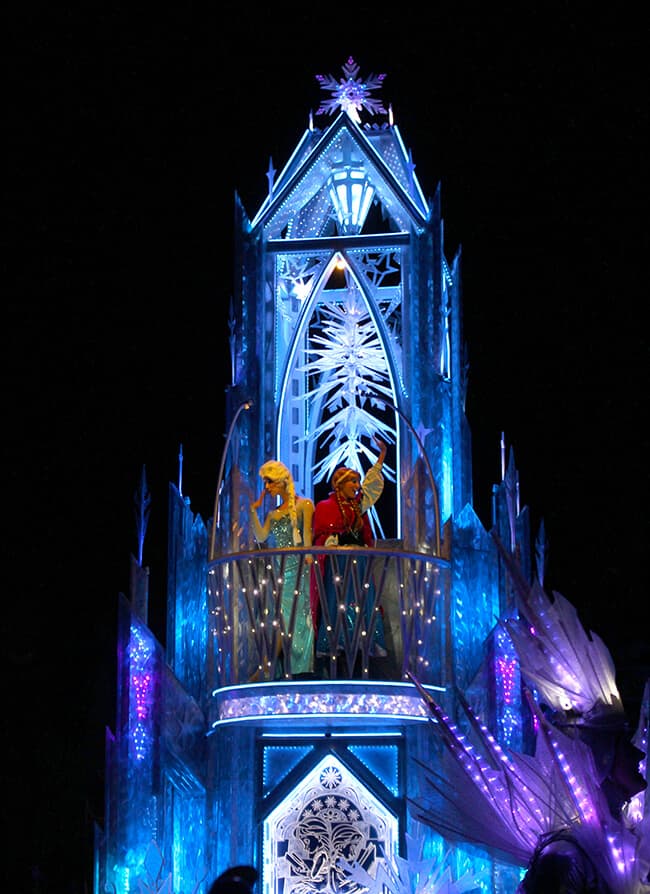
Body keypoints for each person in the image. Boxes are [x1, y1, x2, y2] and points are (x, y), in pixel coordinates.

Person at [310, 436, 388, 670]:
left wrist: (382, 455)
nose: (357, 485)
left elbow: (373, 487)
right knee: (338, 603)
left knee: (361, 603)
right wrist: (333, 540)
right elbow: (319, 536)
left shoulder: (358, 506)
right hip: (338, 566)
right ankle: (338, 646)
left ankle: (362, 646)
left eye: (357, 482)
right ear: (340, 484)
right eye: (352, 482)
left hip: (359, 565)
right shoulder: (324, 507)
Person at [249, 460, 315, 676]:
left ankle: (273, 669)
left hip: (299, 573)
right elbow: (261, 536)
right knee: (281, 620)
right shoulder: (273, 514)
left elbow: (307, 541)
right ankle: (271, 668)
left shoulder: (305, 505)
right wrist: (253, 511)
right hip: (281, 574)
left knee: (295, 621)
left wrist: (308, 566)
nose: (267, 487)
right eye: (265, 483)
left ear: (281, 481)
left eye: (270, 482)